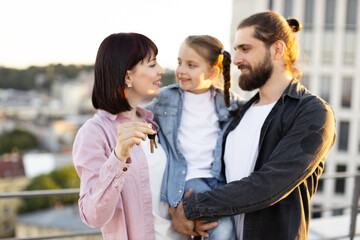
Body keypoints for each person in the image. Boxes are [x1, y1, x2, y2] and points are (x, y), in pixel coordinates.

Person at [169, 11, 336, 240]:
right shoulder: (239, 112)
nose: (236, 59)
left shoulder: (313, 113)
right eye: (236, 49)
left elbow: (268, 185)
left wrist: (191, 208)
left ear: (277, 50)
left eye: (245, 49)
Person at [72, 32, 187, 240]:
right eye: (152, 65)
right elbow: (93, 215)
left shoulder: (154, 122)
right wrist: (119, 156)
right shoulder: (94, 133)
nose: (161, 70)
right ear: (128, 77)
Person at [145, 35, 241, 239]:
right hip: (188, 179)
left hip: (218, 180)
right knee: (222, 229)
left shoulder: (225, 101)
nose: (181, 70)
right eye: (180, 63)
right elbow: (138, 114)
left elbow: (254, 109)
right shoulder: (165, 98)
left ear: (212, 72)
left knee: (229, 226)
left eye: (191, 65)